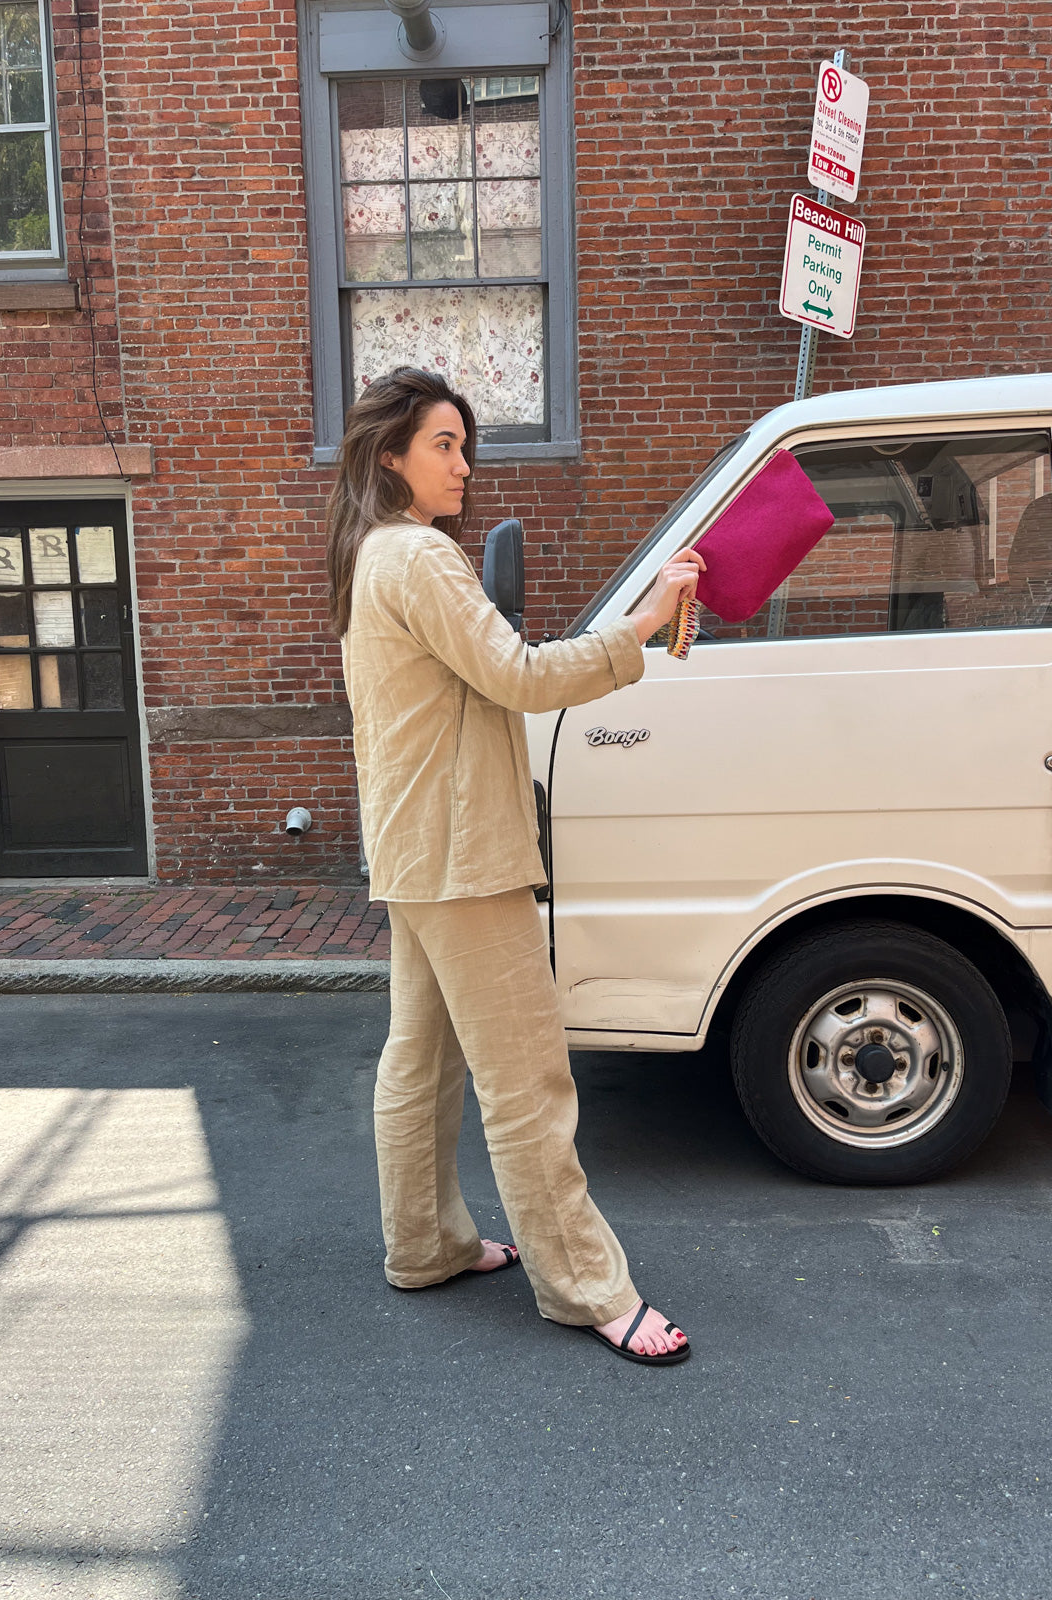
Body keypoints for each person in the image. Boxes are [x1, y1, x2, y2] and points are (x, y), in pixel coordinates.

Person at [327, 367, 704, 1365]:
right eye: (443, 443)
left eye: (465, 444)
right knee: (528, 1081)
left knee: (421, 1060)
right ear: (390, 456)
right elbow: (524, 677)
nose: (463, 463)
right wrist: (642, 627)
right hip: (464, 854)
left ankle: (425, 1245)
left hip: (416, 850)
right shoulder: (420, 558)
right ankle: (586, 1286)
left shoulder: (373, 557)